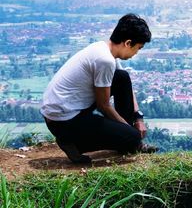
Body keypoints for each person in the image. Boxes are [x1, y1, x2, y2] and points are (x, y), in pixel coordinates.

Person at [41, 13, 157, 163]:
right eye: (138, 48)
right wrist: (130, 132)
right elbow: (104, 106)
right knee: (132, 136)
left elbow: (125, 85)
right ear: (128, 43)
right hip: (63, 121)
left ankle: (127, 143)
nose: (136, 53)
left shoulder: (103, 49)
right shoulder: (105, 60)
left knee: (122, 77)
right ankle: (72, 143)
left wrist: (137, 117)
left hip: (69, 109)